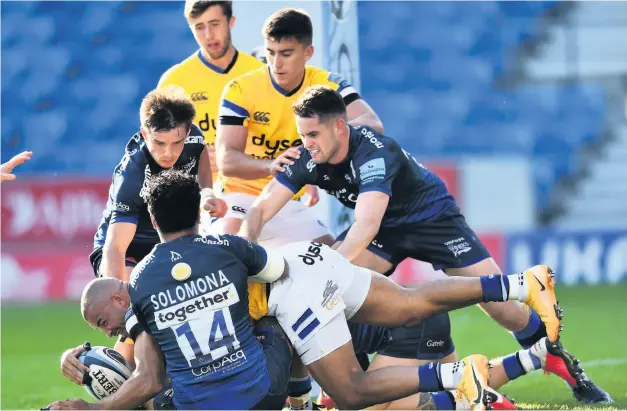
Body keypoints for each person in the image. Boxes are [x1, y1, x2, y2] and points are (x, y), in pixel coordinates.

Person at [47, 170, 563, 411]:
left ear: (153, 221)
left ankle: (458, 375)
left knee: (351, 393)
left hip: (296, 296)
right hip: (308, 263)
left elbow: (147, 369)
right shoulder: (225, 241)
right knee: (409, 304)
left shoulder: (145, 279)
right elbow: (271, 263)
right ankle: (521, 283)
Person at [239, 85, 613, 404]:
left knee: (503, 310)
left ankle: (560, 361)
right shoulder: (308, 156)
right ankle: (346, 388)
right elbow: (260, 209)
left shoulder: (374, 153)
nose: (306, 145)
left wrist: (326, 269)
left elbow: (366, 224)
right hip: (387, 230)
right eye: (302, 135)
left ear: (339, 126)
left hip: (431, 220)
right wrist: (244, 250)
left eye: (313, 135)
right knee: (338, 300)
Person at [83, 87, 226, 366]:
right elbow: (116, 245)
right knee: (143, 309)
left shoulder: (194, 137)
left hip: (164, 242)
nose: (169, 153)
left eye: (176, 143)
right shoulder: (133, 172)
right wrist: (127, 306)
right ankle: (124, 376)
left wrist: (208, 196)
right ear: (145, 133)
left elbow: (203, 175)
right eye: (159, 143)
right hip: (123, 250)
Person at [215, 7, 382, 243]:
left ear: (308, 52)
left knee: (334, 262)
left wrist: (317, 150)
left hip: (287, 199)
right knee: (230, 250)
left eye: (286, 53)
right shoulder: (240, 88)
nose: (276, 63)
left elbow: (373, 125)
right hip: (239, 196)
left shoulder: (327, 83)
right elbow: (226, 161)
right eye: (270, 53)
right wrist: (271, 165)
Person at [157, 0, 263, 183]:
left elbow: (284, 135)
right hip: (201, 194)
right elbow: (157, 150)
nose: (209, 35)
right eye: (199, 27)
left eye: (215, 24)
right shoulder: (174, 82)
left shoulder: (260, 73)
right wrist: (194, 158)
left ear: (231, 22)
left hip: (257, 190)